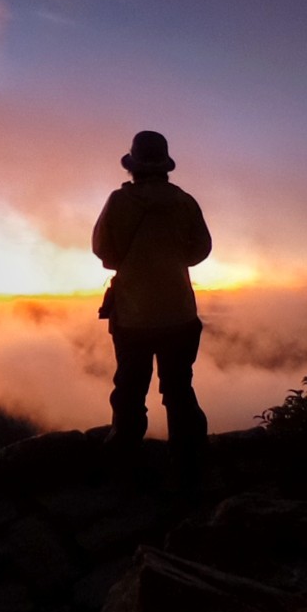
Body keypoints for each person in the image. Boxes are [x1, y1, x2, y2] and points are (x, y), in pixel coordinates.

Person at [92, 130, 212, 474]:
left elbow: (104, 251)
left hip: (132, 317)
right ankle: (189, 464)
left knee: (129, 389)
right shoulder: (184, 202)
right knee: (178, 389)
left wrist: (134, 261)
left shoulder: (119, 202)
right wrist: (171, 258)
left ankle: (125, 461)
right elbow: (200, 250)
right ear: (164, 166)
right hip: (180, 314)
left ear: (133, 166)